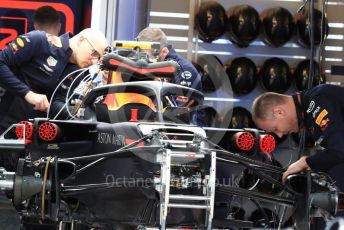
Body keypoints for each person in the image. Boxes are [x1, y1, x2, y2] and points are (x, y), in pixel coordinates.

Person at [0, 28, 108, 133]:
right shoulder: (40, 41)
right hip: (3, 123)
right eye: (94, 53)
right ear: (81, 40)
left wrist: (86, 108)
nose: (94, 62)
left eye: (98, 58)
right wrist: (27, 93)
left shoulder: (79, 74)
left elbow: (56, 104)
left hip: (30, 137)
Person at [251, 84, 344, 182]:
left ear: (279, 112)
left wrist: (305, 162)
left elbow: (340, 150)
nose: (280, 134)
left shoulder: (318, 101)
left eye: (275, 129)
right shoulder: (308, 109)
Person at [136, 27, 205, 126]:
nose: (143, 62)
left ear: (164, 52)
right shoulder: (158, 67)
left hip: (187, 135)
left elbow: (177, 114)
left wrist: (156, 83)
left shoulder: (184, 71)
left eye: (147, 57)